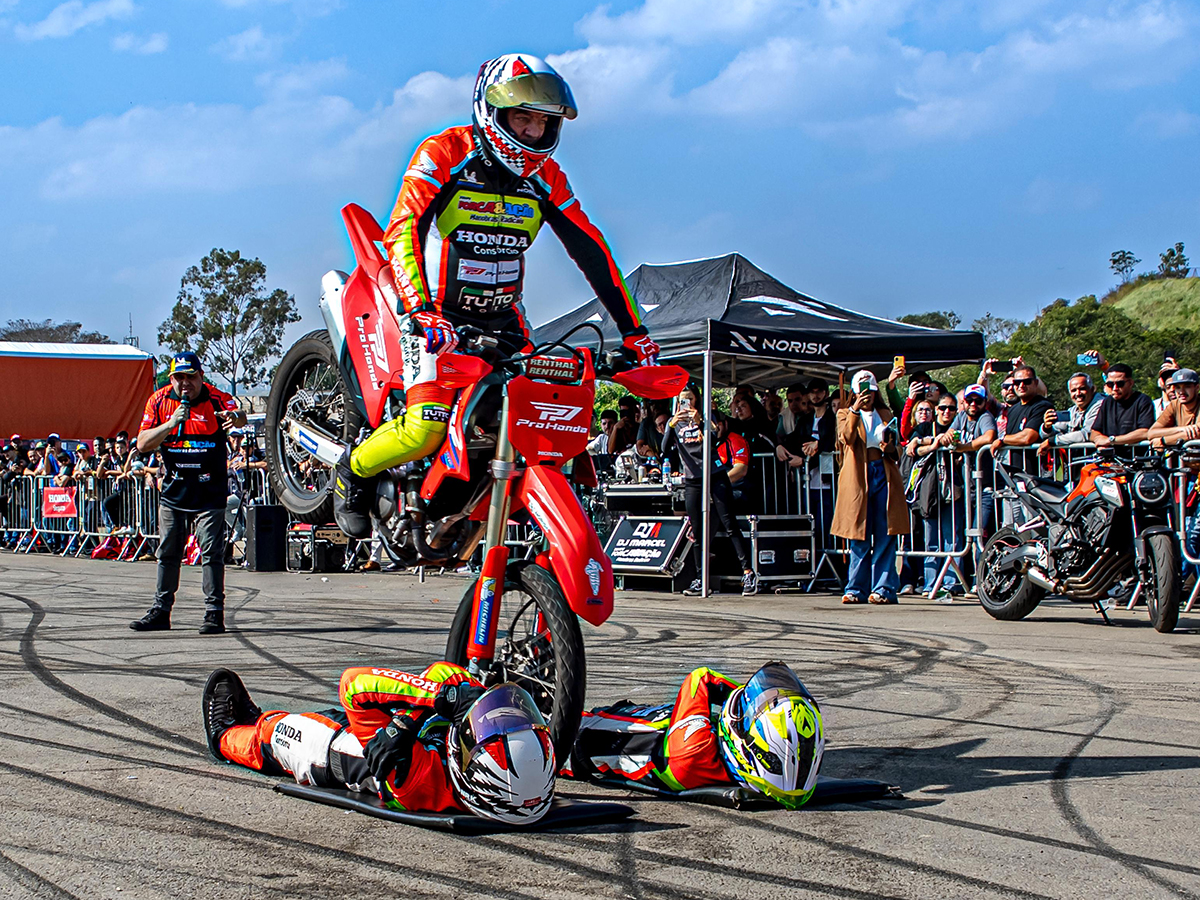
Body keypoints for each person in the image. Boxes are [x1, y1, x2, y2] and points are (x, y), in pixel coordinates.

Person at [332, 53, 659, 538]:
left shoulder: (546, 179)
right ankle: (350, 473)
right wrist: (421, 311)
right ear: (492, 113)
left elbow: (593, 252)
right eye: (521, 118)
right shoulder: (444, 153)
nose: (530, 133)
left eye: (542, 123)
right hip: (431, 312)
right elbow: (403, 229)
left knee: (546, 421)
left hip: (504, 320)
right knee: (426, 427)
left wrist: (635, 334)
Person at [201, 664, 556, 824]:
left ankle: (226, 736)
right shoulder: (507, 781)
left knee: (280, 733)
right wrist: (440, 703)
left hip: (339, 753)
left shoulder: (418, 780)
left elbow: (353, 684)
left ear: (470, 776)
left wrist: (437, 698)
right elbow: (447, 672)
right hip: (388, 728)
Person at [566, 662, 824, 809]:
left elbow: (701, 677)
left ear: (749, 750)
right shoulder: (737, 768)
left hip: (577, 738)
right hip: (635, 729)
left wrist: (749, 697)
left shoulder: (696, 748)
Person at [130, 352, 246, 636]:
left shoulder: (215, 397)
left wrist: (233, 417)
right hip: (174, 491)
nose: (185, 384)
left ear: (200, 377)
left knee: (211, 552)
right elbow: (143, 443)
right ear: (171, 379)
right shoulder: (158, 401)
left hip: (210, 491)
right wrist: (170, 424)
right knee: (168, 551)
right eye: (179, 378)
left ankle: (214, 612)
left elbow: (240, 416)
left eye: (190, 377)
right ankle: (161, 610)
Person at [660, 383, 757, 596]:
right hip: (693, 479)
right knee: (696, 530)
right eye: (682, 400)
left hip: (715, 475)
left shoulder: (706, 417)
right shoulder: (674, 423)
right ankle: (699, 577)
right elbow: (664, 450)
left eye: (690, 400)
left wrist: (700, 422)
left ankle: (748, 571)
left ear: (697, 401)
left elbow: (713, 440)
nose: (686, 404)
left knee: (729, 521)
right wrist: (671, 425)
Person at [831, 370, 908, 604]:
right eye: (863, 391)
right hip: (857, 478)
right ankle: (855, 589)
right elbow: (847, 437)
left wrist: (890, 447)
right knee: (859, 534)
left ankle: (883, 589)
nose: (868, 396)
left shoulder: (884, 413)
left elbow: (898, 449)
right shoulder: (845, 413)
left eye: (872, 391)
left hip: (883, 473)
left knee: (886, 533)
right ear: (854, 392)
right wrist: (855, 409)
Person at [1090, 363, 1155, 449]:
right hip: (1109, 459)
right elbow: (1094, 432)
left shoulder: (1143, 401)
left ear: (1131, 383)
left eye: (1120, 384)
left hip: (1135, 458)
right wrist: (1099, 440)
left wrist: (1111, 440)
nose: (1115, 388)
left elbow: (1145, 432)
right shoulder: (1107, 401)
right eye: (1110, 384)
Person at [1040, 372, 1103, 446]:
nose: (1078, 393)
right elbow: (1057, 428)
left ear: (1092, 389)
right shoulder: (1073, 410)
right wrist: (1047, 427)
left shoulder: (1101, 405)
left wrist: (1053, 441)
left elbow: (1087, 433)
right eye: (1074, 390)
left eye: (1082, 389)